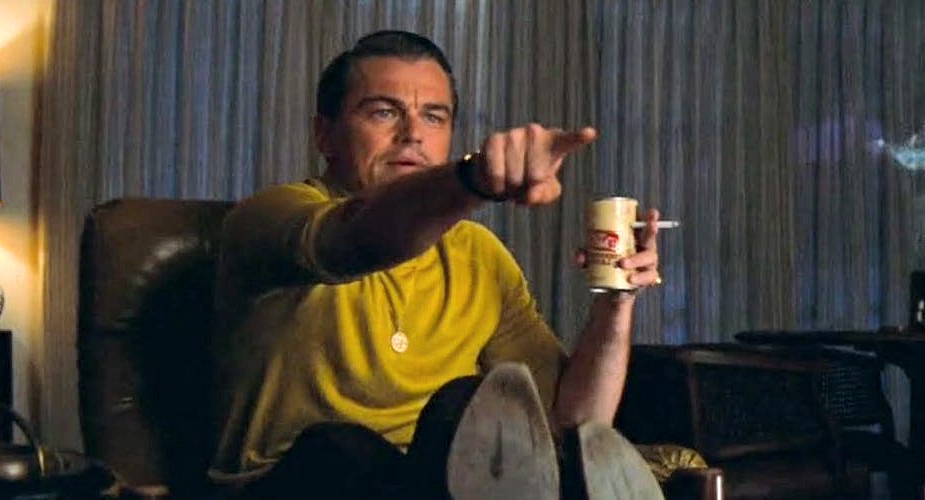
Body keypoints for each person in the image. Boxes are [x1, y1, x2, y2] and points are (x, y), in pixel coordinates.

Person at [207, 30, 665, 499]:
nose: (412, 133)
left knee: (467, 404)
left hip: (437, 483)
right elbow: (357, 237)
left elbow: (573, 422)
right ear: (325, 134)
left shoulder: (478, 253)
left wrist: (617, 300)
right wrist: (473, 178)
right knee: (339, 449)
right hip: (286, 483)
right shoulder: (270, 216)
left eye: (433, 116)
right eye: (383, 112)